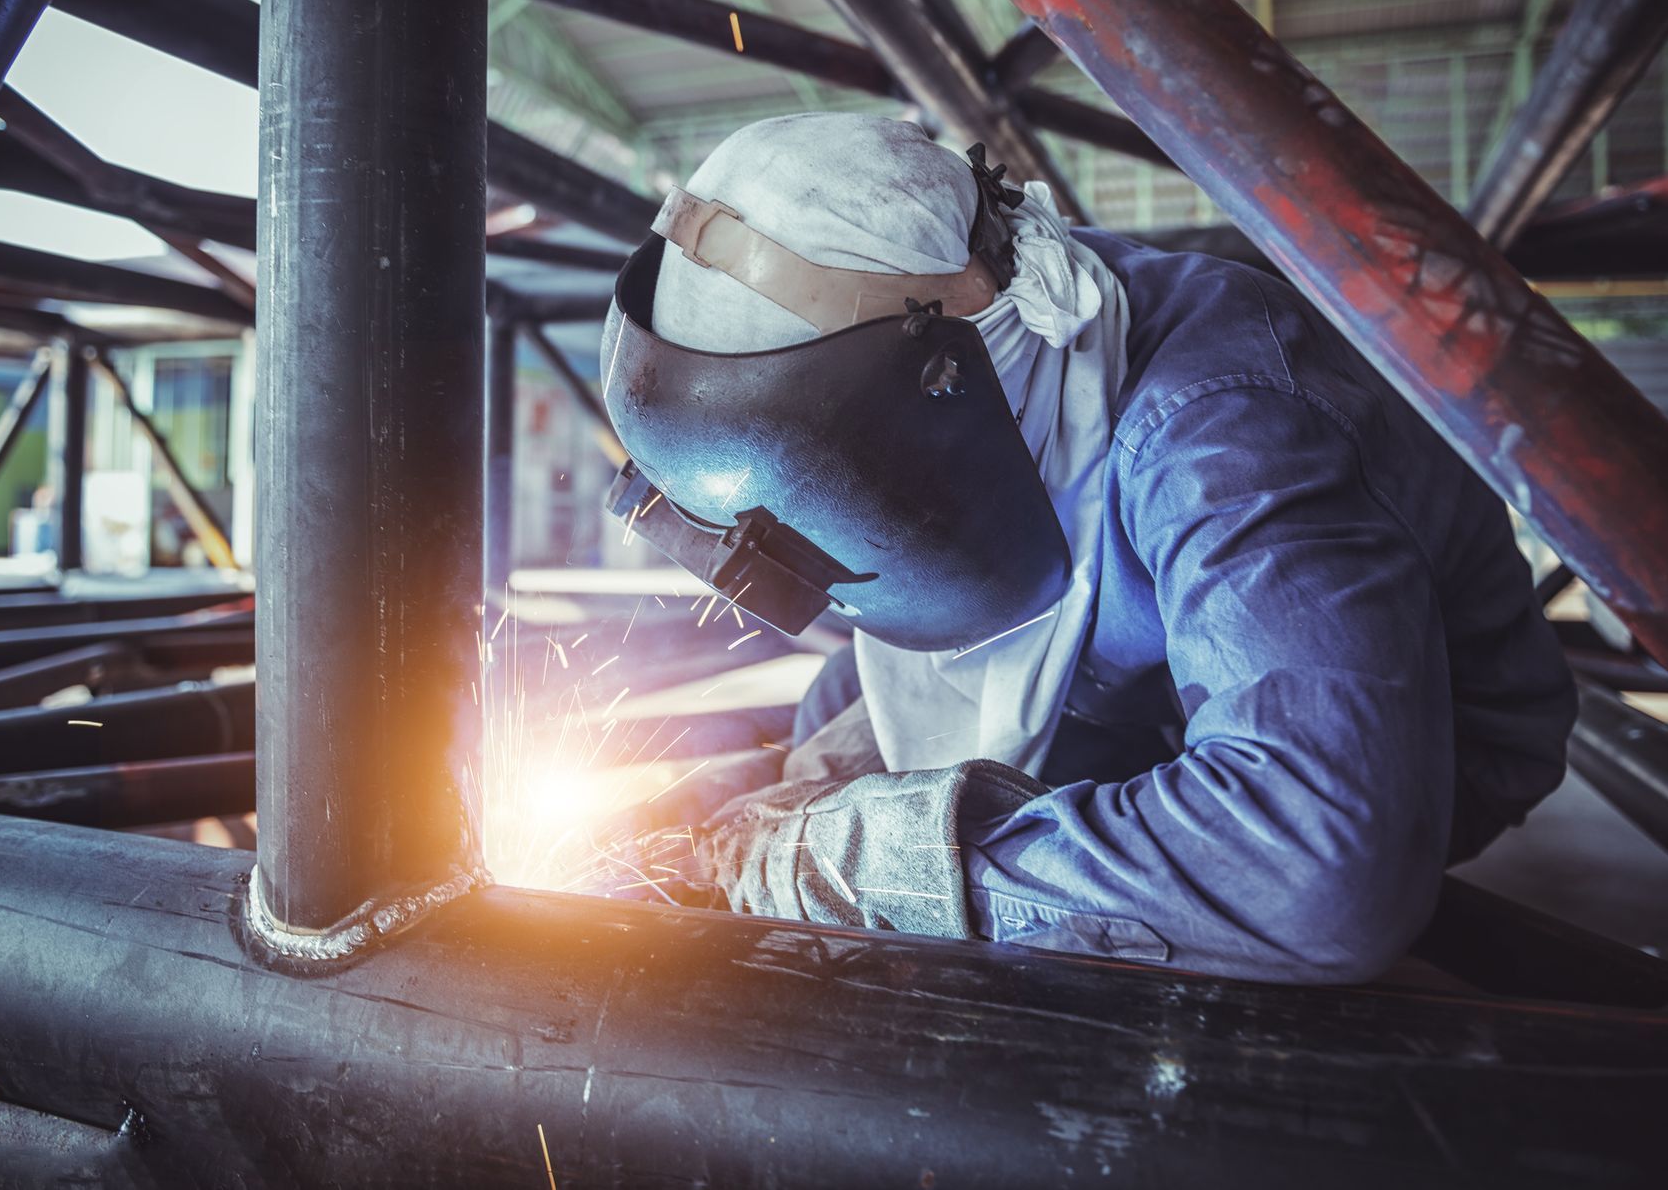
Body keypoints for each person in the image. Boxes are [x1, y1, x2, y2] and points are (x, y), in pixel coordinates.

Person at [597, 112, 1577, 984]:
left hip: (1429, 747)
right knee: (837, 754)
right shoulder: (990, 330)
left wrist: (883, 861)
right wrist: (752, 802)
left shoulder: (1226, 434)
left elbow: (1316, 869)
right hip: (1130, 677)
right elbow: (909, 646)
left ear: (940, 383)